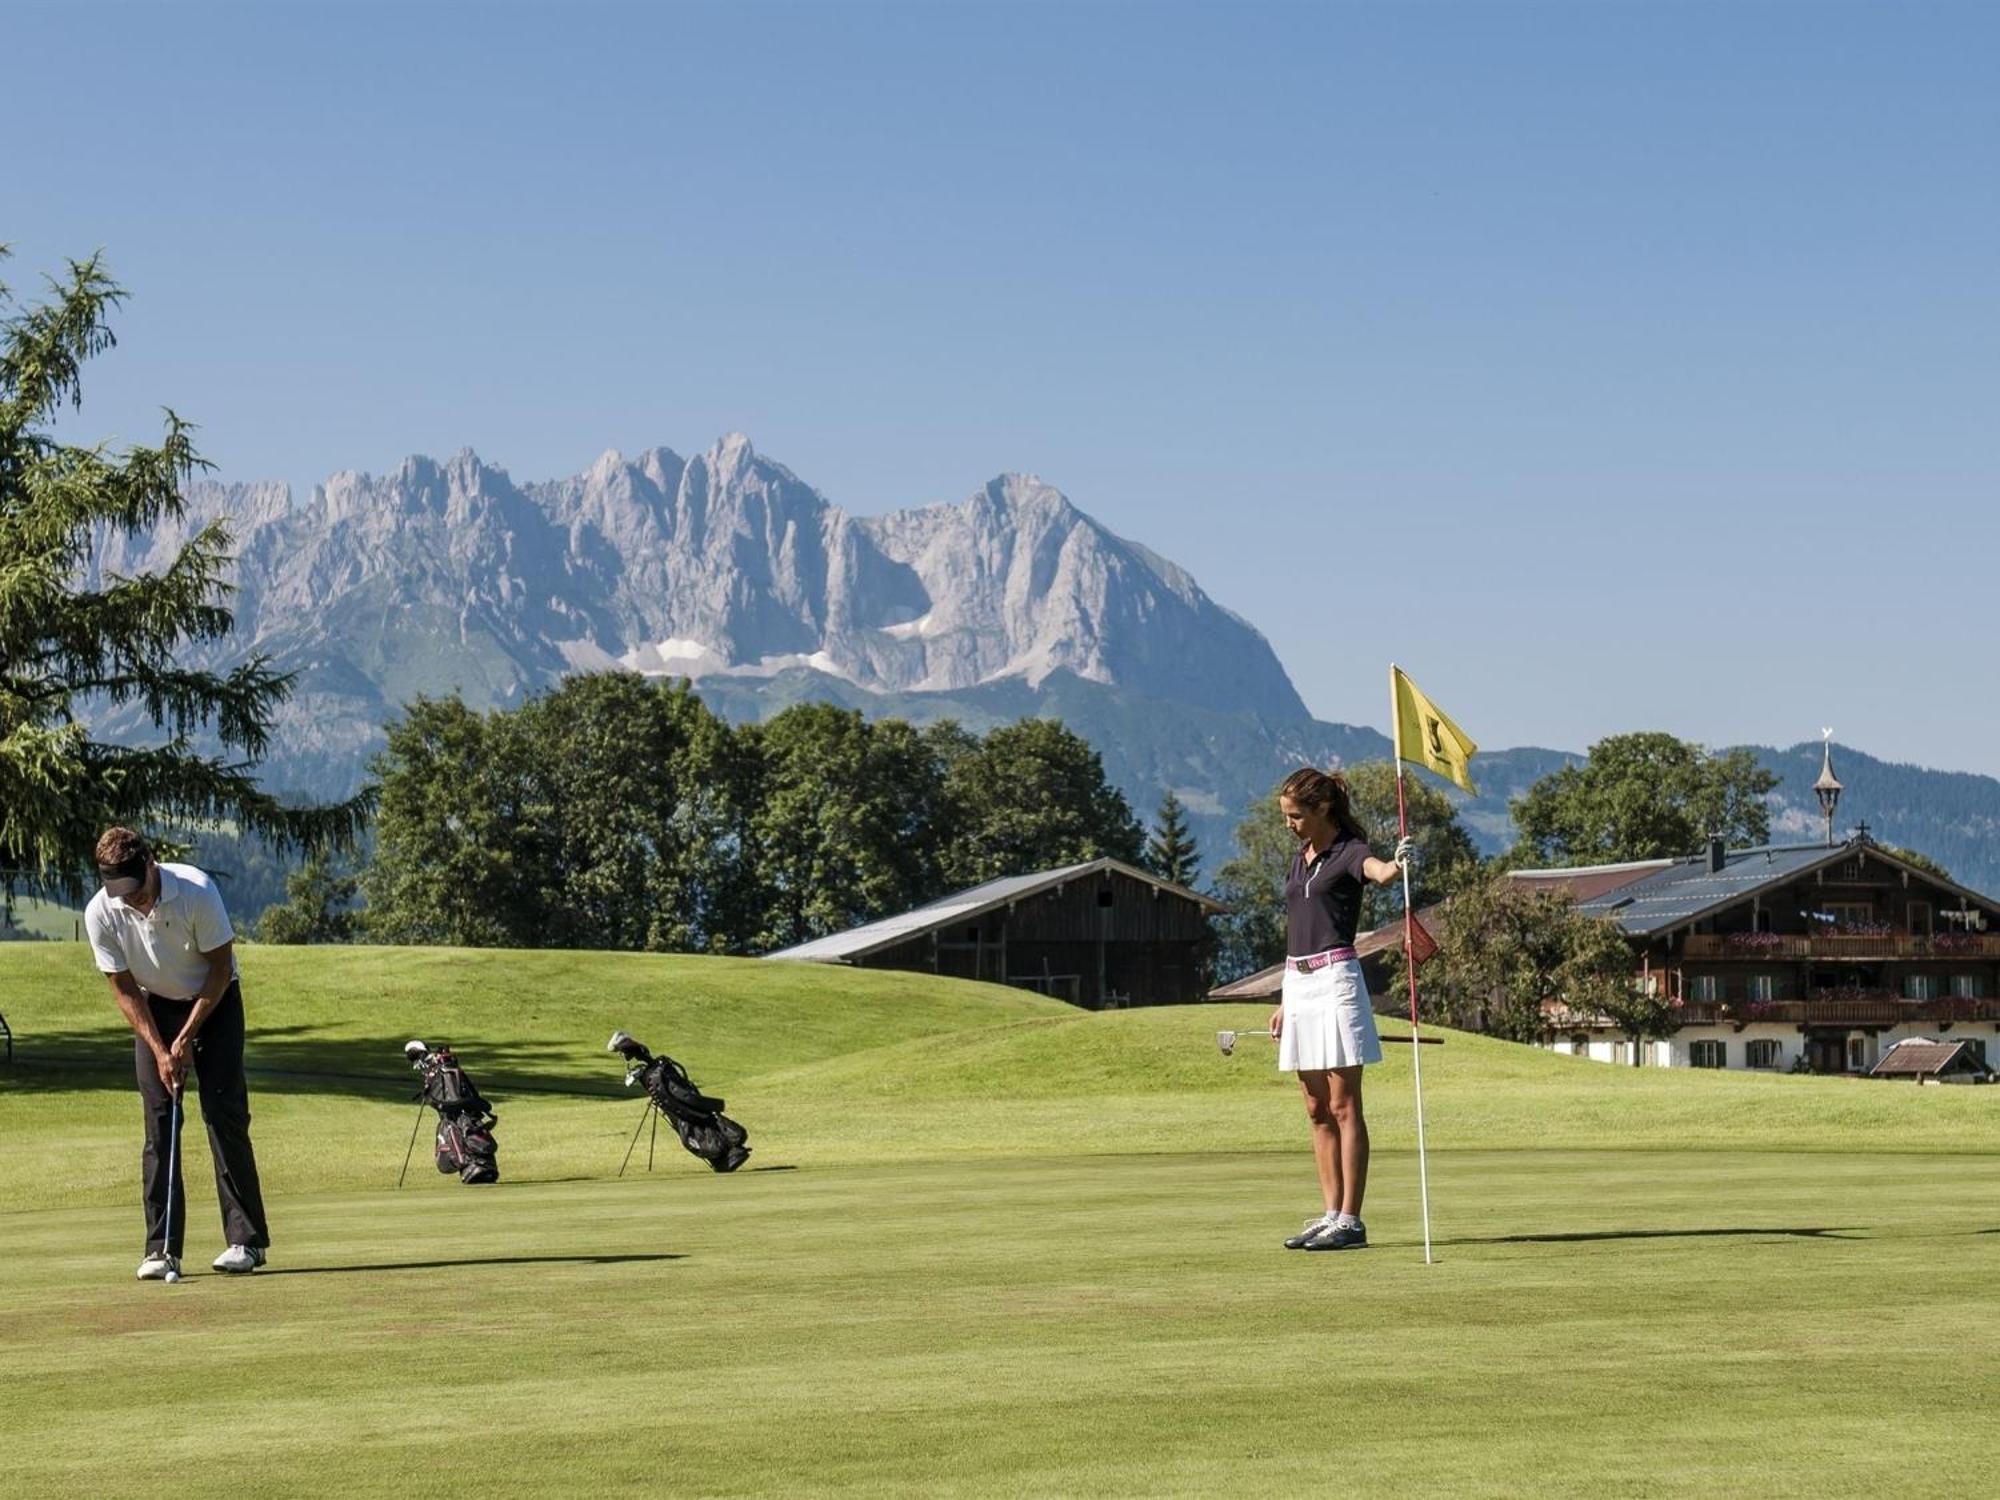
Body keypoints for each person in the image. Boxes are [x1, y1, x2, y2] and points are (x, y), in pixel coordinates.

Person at [84, 827, 271, 1279]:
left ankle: (245, 1242)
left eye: (139, 891)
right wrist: (160, 1049)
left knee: (223, 1113)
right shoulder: (101, 912)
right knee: (159, 1123)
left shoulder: (196, 891)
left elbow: (221, 968)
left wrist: (186, 1038)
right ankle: (161, 1249)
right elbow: (124, 989)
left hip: (215, 1000)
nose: (135, 902)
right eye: (122, 894)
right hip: (153, 1005)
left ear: (151, 863)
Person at [1268, 769, 1411, 1252]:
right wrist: (1286, 1001)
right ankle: (1330, 1213)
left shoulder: (1348, 851)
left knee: (1344, 1104)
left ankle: (1351, 1219)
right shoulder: (1298, 859)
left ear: (1322, 809)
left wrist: (1395, 866)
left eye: (1295, 816)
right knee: (1314, 1108)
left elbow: (1377, 871)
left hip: (1337, 981)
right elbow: (1295, 931)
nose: (1289, 824)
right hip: (1299, 982)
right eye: (1286, 816)